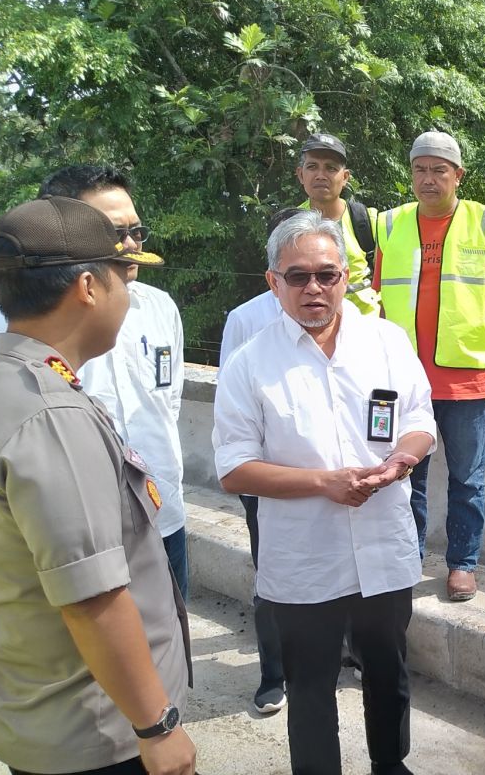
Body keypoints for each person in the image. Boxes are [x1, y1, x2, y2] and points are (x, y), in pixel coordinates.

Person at [0, 195, 194, 775]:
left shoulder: (13, 380)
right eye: (124, 274)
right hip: (100, 728)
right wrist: (158, 726)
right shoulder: (51, 415)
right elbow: (92, 596)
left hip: (75, 711)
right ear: (89, 287)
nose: (131, 292)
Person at [213, 211, 435, 775]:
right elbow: (235, 469)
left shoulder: (385, 341)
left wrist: (400, 461)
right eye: (297, 276)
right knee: (309, 685)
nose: (314, 287)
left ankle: (392, 764)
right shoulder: (251, 364)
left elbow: (419, 419)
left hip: (382, 545)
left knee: (388, 670)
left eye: (327, 274)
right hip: (304, 560)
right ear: (273, 282)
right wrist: (323, 484)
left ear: (345, 279)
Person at [373, 130, 485, 601]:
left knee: (468, 478)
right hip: (403, 379)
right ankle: (408, 557)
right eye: (420, 169)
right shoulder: (390, 225)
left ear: (458, 175)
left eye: (439, 170)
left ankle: (462, 563)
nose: (428, 179)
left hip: (468, 378)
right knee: (405, 474)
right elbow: (372, 305)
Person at [215, 206, 307, 715]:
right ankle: (274, 674)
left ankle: (349, 654)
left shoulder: (349, 312)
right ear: (273, 266)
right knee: (270, 574)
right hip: (268, 482)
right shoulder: (246, 319)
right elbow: (232, 405)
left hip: (335, 477)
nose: (310, 280)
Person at [296, 132, 380, 315]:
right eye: (312, 167)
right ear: (300, 175)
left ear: (345, 177)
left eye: (331, 168)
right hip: (309, 327)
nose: (320, 175)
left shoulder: (368, 221)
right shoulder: (290, 225)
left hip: (363, 327)